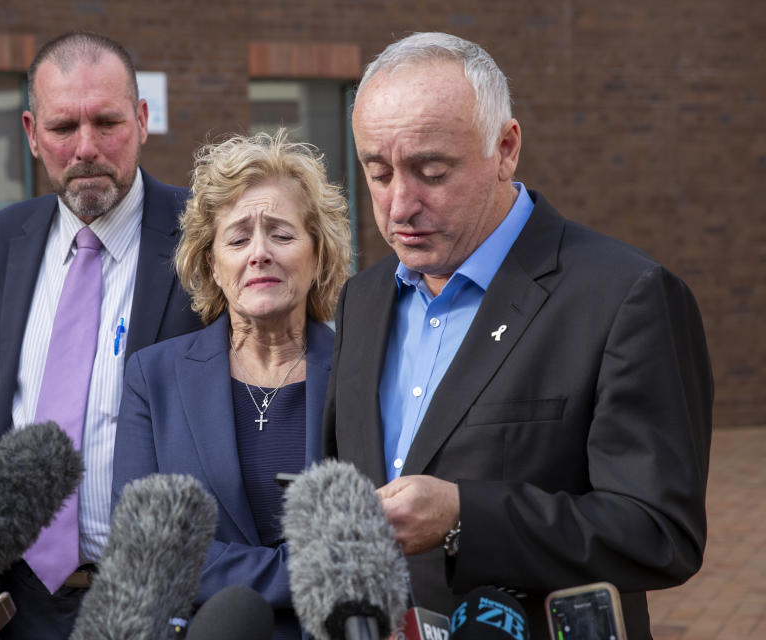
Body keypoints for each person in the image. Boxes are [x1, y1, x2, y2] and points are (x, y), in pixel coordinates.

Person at [323, 32, 713, 640]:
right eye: (376, 172)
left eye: (431, 171)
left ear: (505, 148)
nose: (399, 204)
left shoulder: (626, 296)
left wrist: (463, 517)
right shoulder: (362, 300)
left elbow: (659, 533)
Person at [0, 32, 202, 639]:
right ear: (32, 131)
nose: (86, 148)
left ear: (142, 120)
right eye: (64, 127)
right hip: (16, 602)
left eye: (108, 122)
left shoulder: (209, 238)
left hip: (156, 601)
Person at [112, 130, 351, 639]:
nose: (259, 253)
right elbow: (145, 548)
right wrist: (311, 574)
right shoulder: (153, 378)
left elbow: (375, 539)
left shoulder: (363, 371)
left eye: (282, 235)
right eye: (238, 238)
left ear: (319, 255)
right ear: (211, 265)